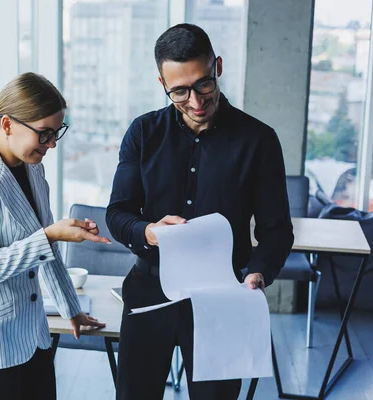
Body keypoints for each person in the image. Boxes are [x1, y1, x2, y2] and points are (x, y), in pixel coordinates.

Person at [106, 23, 294, 400]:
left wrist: (259, 270)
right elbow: (119, 213)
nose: (195, 101)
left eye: (203, 84)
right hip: (150, 290)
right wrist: (148, 232)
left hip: (222, 298)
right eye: (179, 91)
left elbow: (277, 229)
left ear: (217, 66)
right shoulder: (143, 133)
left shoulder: (259, 140)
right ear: (162, 82)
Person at [0, 72, 108, 400]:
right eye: (44, 134)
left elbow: (45, 252)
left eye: (56, 133)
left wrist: (71, 309)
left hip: (33, 341)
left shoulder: (33, 167)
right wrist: (47, 235)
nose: (51, 145)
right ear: (7, 125)